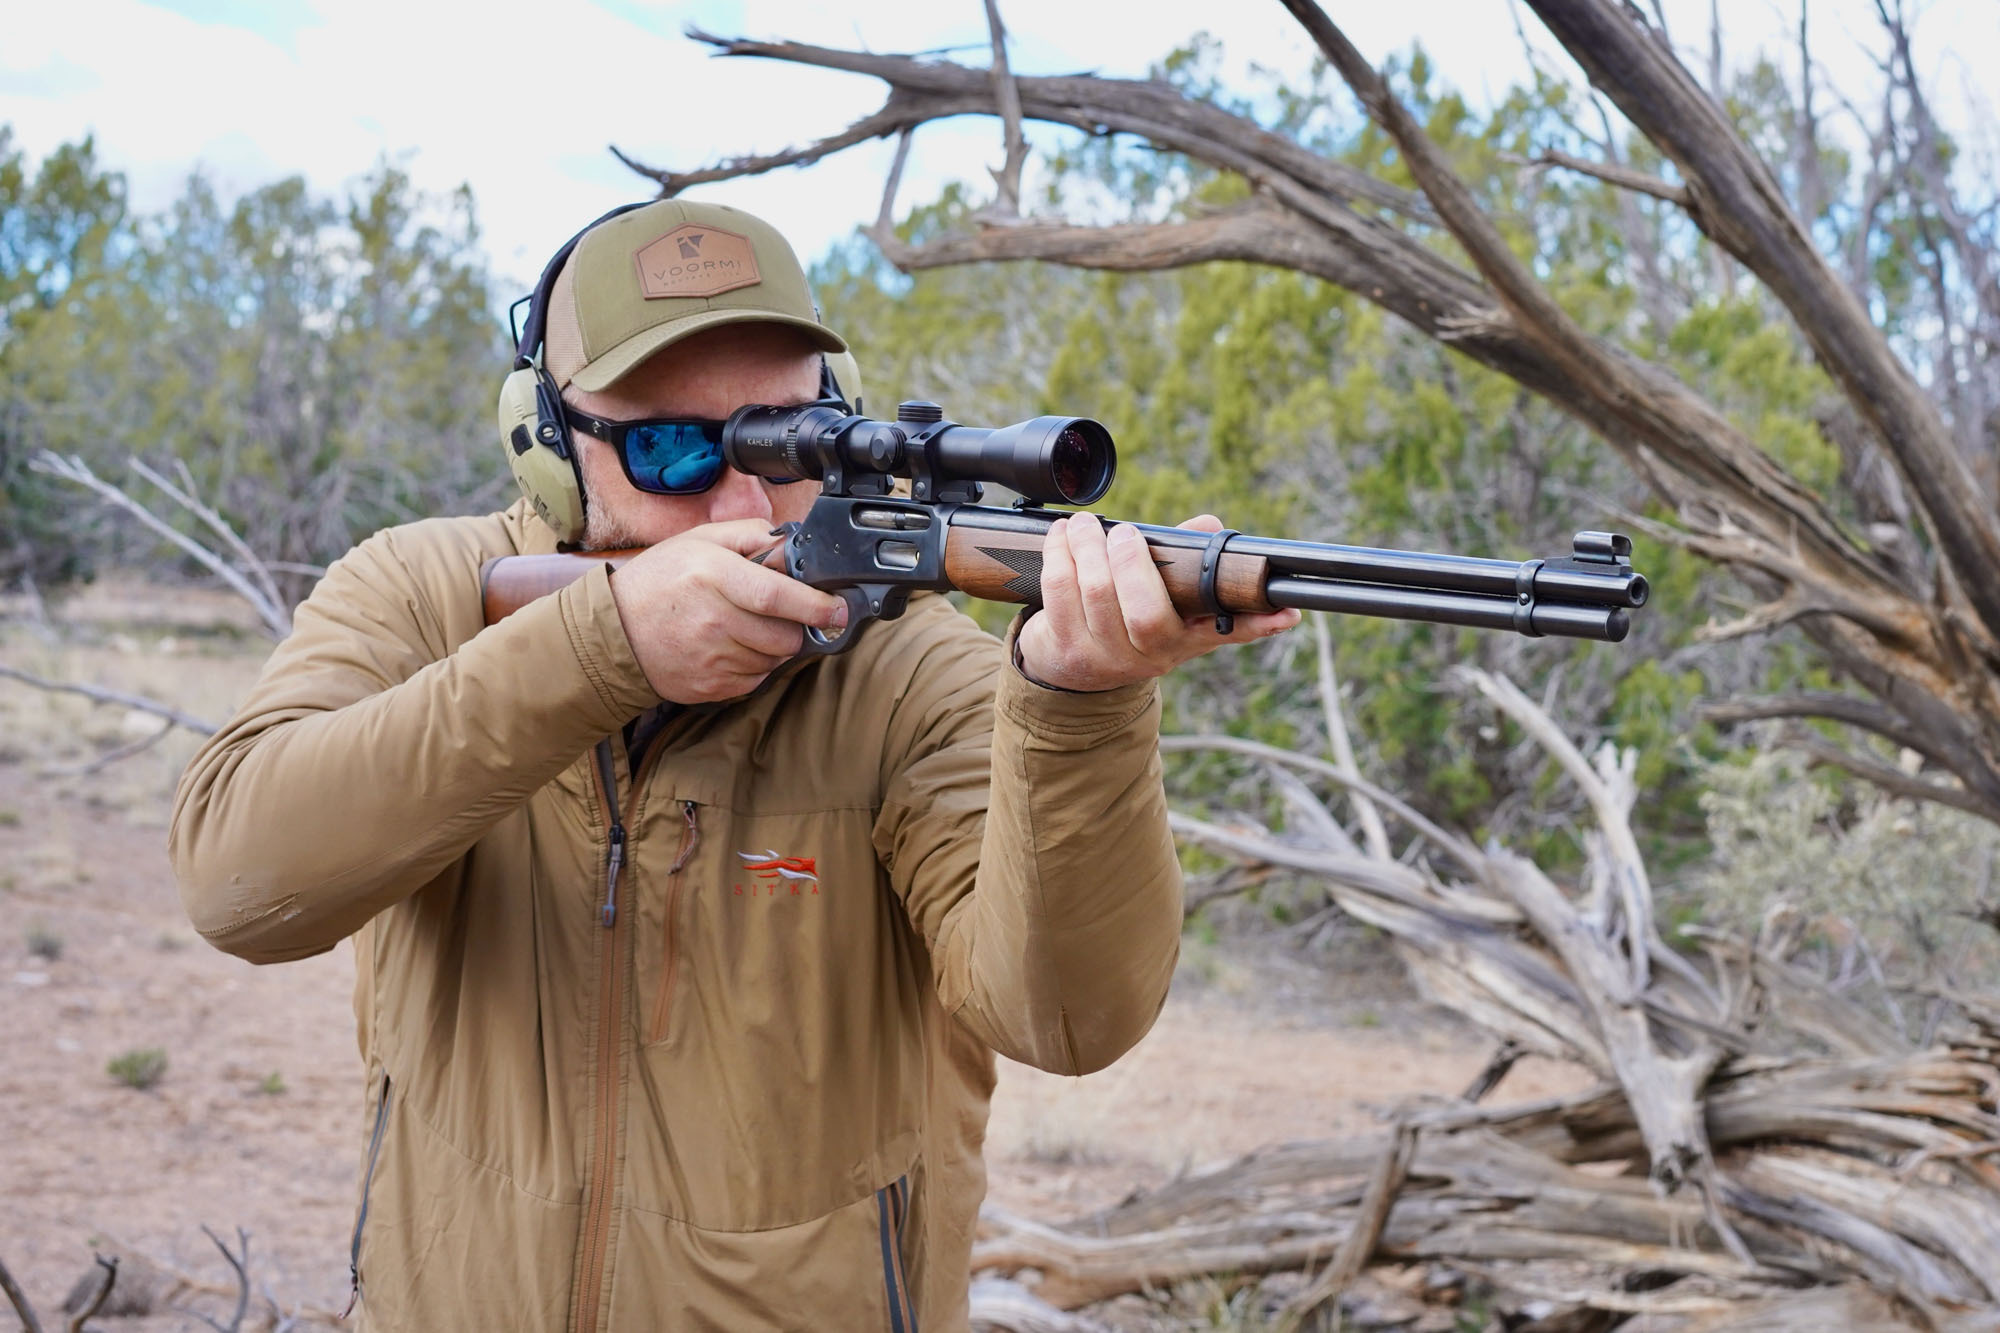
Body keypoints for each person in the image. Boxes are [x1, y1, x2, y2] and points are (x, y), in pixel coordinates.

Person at [169, 198, 1300, 1332]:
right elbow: (239, 884)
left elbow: (1071, 1018)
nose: (744, 502)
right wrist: (601, 648)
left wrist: (1078, 701)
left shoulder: (907, 672)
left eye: (791, 442)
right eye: (671, 450)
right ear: (548, 443)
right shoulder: (423, 591)